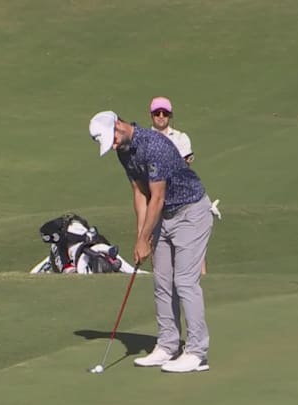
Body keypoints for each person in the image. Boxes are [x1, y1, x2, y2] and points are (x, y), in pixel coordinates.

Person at [89, 110, 214, 373]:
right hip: (165, 216)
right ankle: (168, 345)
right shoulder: (124, 150)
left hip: (191, 212)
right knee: (161, 280)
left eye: (111, 140)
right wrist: (140, 237)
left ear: (119, 126)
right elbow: (139, 192)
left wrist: (146, 238)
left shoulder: (153, 145)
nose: (112, 147)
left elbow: (157, 197)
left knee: (185, 282)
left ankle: (197, 352)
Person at [148, 96, 219, 275]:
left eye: (165, 113)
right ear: (152, 115)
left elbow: (182, 164)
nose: (161, 116)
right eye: (157, 113)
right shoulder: (145, 140)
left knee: (190, 240)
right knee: (157, 243)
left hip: (182, 197)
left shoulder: (180, 137)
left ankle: (202, 276)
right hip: (157, 198)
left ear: (170, 115)